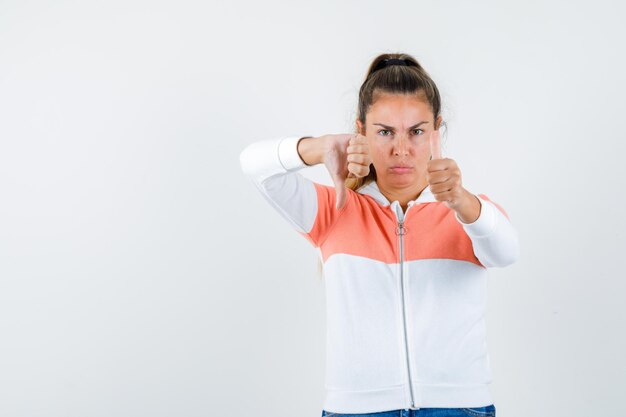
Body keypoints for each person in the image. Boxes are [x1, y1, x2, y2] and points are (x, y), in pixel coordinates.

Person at [238, 52, 519, 417]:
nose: (400, 149)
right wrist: (320, 147)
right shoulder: (335, 209)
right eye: (384, 132)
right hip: (356, 409)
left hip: (458, 407)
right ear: (362, 131)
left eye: (416, 132)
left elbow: (507, 252)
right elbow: (254, 165)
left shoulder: (468, 213)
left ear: (436, 130)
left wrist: (461, 201)